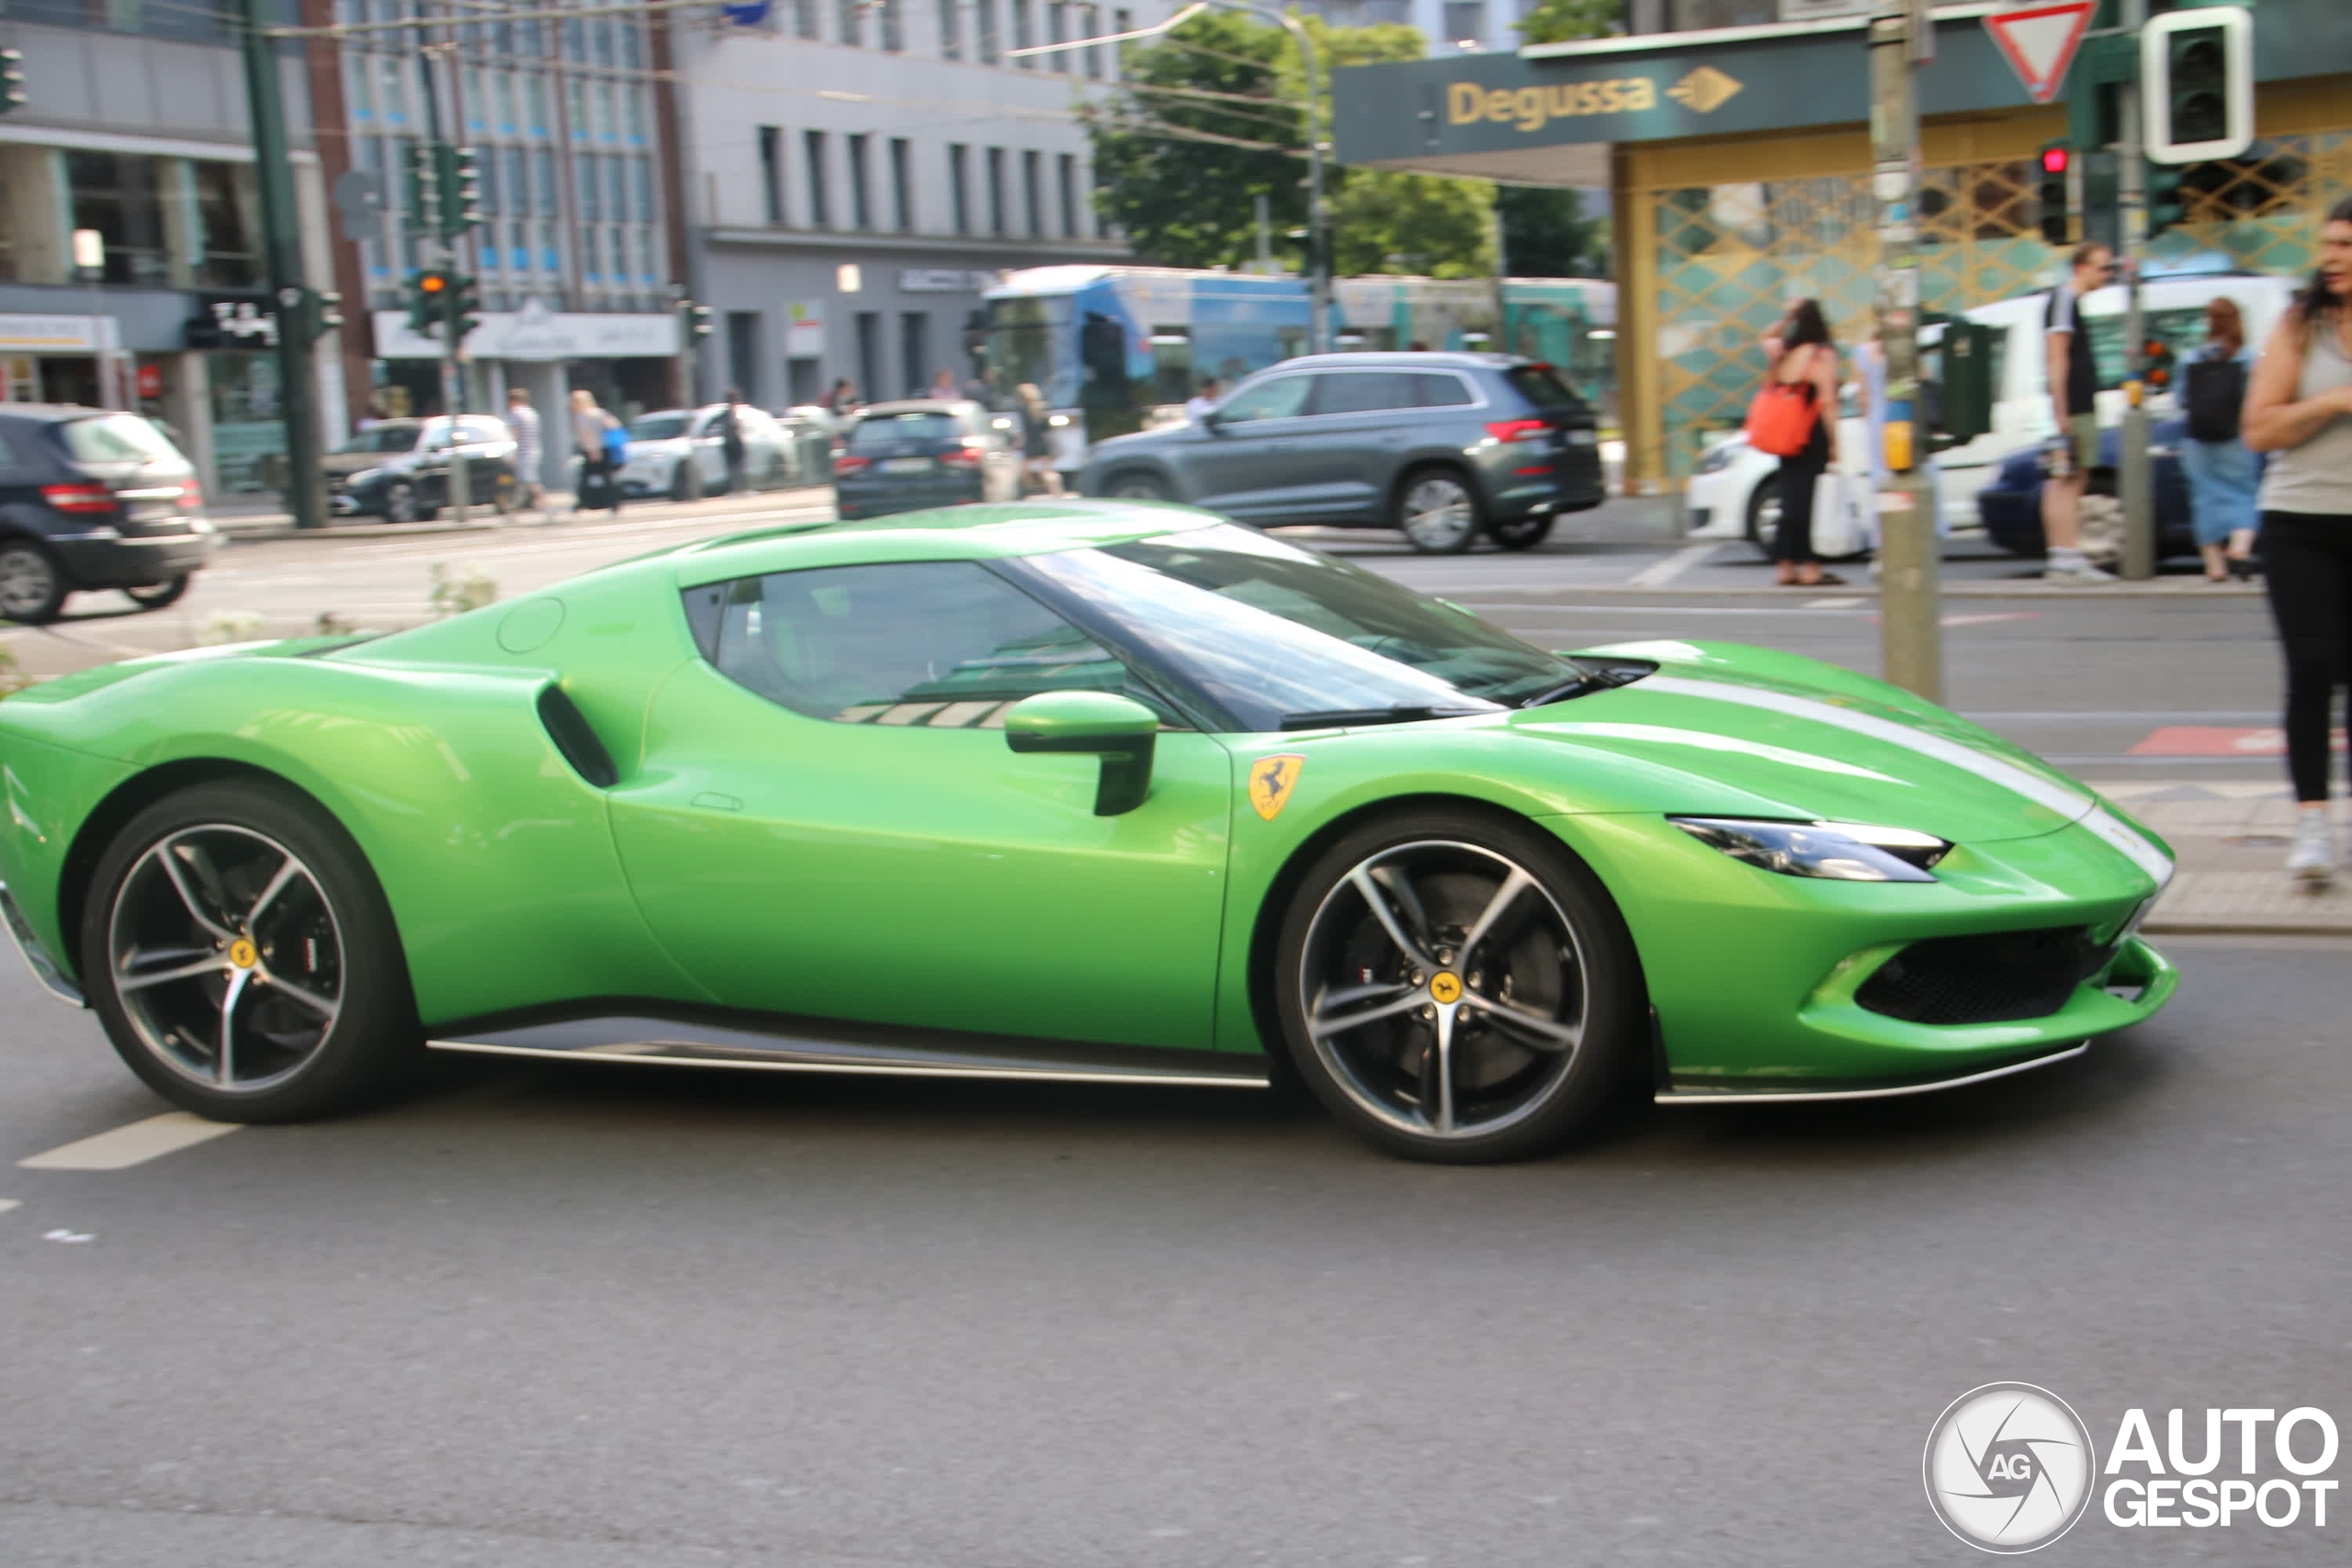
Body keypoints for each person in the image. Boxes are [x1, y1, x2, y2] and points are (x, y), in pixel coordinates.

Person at [2242, 193, 2352, 886]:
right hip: (2301, 523)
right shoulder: (2302, 323)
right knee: (2314, 669)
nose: (2331, 257)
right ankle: (2312, 825)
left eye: (2346, 245)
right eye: (2328, 244)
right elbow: (2260, 428)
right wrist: (2336, 400)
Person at [2041, 242, 2121, 582]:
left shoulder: (2070, 302)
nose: (2107, 275)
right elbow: (2056, 355)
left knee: (2072, 477)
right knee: (2067, 480)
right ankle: (2065, 556)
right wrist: (2061, 410)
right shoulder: (2063, 301)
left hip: (2077, 403)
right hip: (2073, 405)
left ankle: (2065, 555)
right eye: (2102, 268)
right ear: (2081, 268)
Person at [1758, 299, 1843, 588]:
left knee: (1789, 500)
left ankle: (1785, 566)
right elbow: (1828, 402)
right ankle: (1809, 567)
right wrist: (1834, 442)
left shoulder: (1785, 352)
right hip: (1810, 433)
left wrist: (1786, 316)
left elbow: (1766, 336)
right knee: (1808, 502)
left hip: (1785, 433)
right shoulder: (1821, 355)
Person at [2182, 297, 2261, 582]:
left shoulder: (2191, 358)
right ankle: (2239, 548)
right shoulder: (2248, 359)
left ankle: (2214, 565)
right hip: (2237, 436)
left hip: (2197, 438)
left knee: (2204, 497)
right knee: (2244, 492)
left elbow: (2181, 398)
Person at [569, 388, 622, 516]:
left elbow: (588, 435)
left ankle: (581, 504)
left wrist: (593, 451)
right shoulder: (599, 413)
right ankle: (613, 505)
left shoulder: (582, 416)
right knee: (607, 477)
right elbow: (615, 425)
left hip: (592, 450)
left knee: (586, 478)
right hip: (605, 448)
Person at [502, 386, 543, 518]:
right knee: (525, 480)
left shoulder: (515, 413)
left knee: (528, 480)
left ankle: (542, 503)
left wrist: (513, 453)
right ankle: (516, 506)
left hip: (523, 452)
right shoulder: (531, 412)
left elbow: (516, 434)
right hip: (534, 449)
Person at [1016, 382, 1061, 495]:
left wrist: (1017, 442)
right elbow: (1048, 428)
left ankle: (1031, 490)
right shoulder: (1041, 408)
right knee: (1046, 471)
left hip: (1031, 443)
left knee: (1024, 471)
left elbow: (1023, 430)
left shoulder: (1022, 410)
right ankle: (1056, 491)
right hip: (1043, 443)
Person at [715, 387, 748, 496]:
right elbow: (736, 427)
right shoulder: (734, 412)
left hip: (730, 442)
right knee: (737, 467)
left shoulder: (726, 413)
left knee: (735, 467)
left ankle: (738, 489)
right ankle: (739, 489)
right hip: (734, 442)